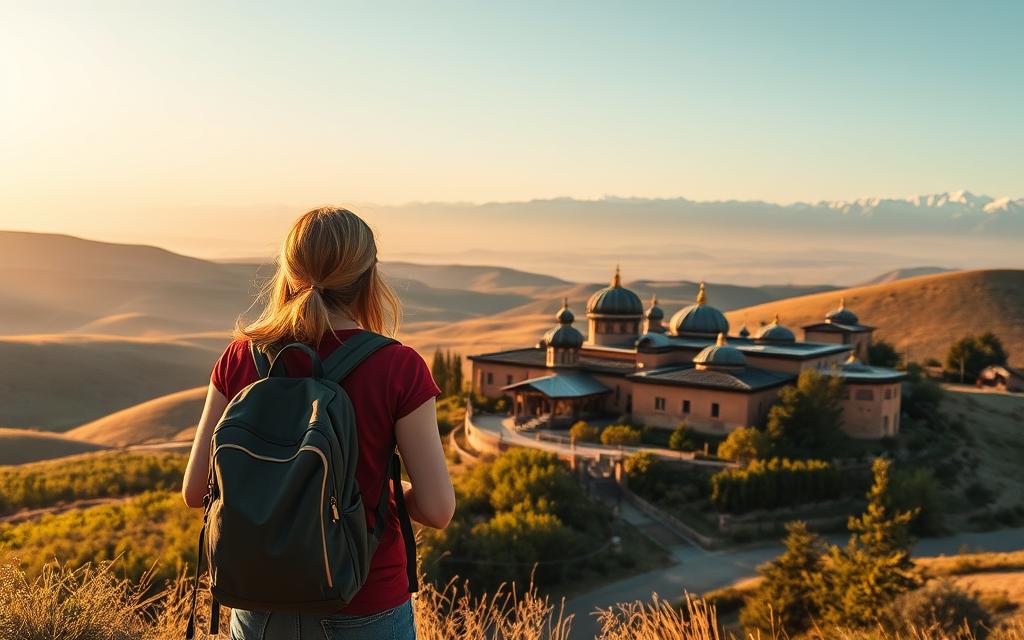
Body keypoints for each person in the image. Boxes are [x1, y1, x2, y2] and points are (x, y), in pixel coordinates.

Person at [182, 207, 455, 640]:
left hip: (256, 603)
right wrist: (376, 493)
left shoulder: (241, 357)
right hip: (364, 601)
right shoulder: (397, 366)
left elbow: (196, 492)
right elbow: (438, 509)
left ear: (287, 274)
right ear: (369, 278)